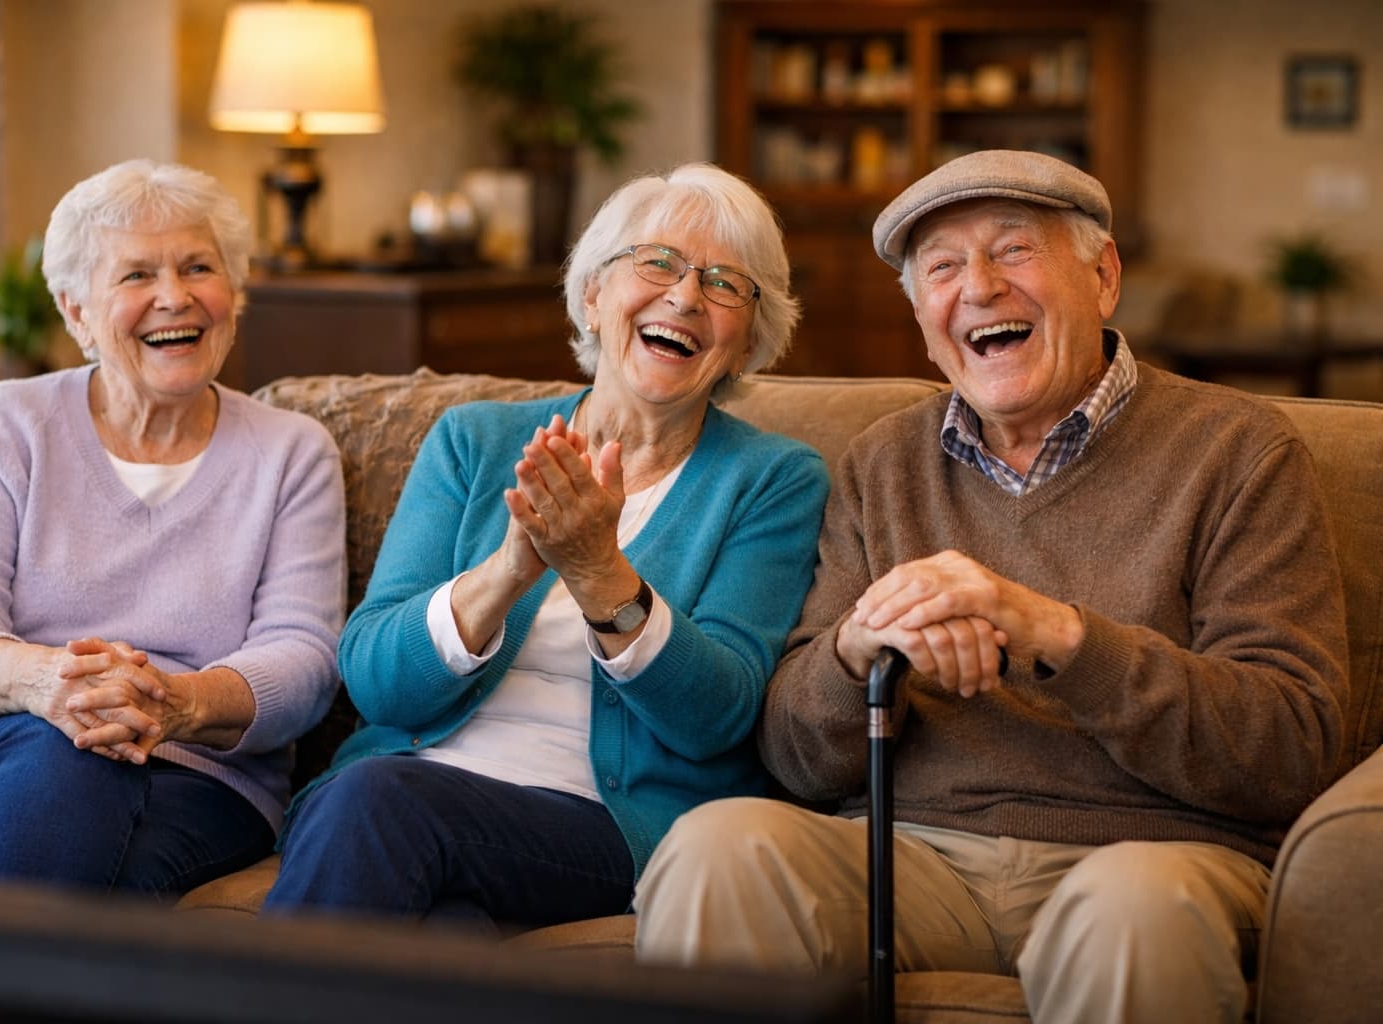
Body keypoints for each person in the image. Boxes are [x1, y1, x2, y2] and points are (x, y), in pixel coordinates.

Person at [631, 150, 1349, 1024]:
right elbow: (793, 754)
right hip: (907, 854)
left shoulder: (1237, 451)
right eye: (941, 267)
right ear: (925, 321)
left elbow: (1290, 746)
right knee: (717, 849)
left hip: (1153, 856)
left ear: (1104, 275)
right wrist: (860, 646)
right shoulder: (882, 464)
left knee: (1132, 908)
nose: (976, 287)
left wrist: (1056, 635)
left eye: (1013, 251)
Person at [263, 162, 830, 933]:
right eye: (657, 262)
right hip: (413, 799)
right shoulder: (472, 441)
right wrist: (506, 572)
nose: (687, 297)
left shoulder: (770, 480)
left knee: (379, 807)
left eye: (725, 284)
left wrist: (600, 573)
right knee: (447, 931)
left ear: (746, 344)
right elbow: (375, 681)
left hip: (595, 826)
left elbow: (718, 715)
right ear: (595, 298)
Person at [0, 159, 347, 901]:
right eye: (135, 276)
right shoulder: (7, 424)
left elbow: (304, 656)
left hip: (200, 776)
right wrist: (45, 684)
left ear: (235, 294)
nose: (174, 296)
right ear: (75, 313)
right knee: (69, 760)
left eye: (199, 266)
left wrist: (179, 702)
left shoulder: (292, 452)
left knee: (86, 818)